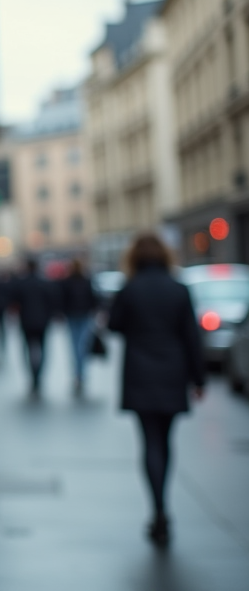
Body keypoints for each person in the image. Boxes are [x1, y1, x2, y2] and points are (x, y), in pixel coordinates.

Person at [107, 233, 205, 548]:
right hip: (173, 372)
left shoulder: (129, 289)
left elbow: (113, 325)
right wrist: (199, 379)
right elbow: (192, 336)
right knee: (165, 440)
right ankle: (163, 507)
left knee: (149, 442)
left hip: (139, 372)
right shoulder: (179, 290)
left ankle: (158, 509)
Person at [10, 256, 58, 397]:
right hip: (42, 322)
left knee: (27, 349)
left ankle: (32, 375)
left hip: (26, 322)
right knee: (42, 349)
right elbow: (53, 303)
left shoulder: (21, 283)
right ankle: (39, 376)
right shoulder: (45, 283)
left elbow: (14, 303)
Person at [58, 258, 99, 397]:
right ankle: (80, 373)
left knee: (75, 345)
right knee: (82, 344)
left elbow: (62, 299)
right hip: (84, 315)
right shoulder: (86, 280)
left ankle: (78, 373)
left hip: (73, 316)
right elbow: (93, 298)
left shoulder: (67, 281)